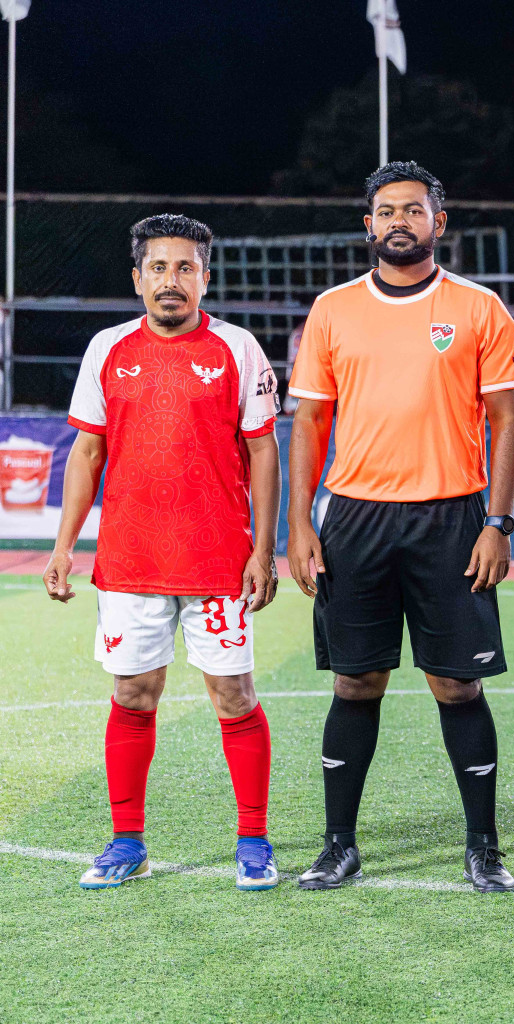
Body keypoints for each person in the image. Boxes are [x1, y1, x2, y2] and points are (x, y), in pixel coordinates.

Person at [285, 161, 514, 893]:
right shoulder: (333, 309)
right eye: (387, 211)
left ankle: (483, 847)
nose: (400, 221)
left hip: (453, 517)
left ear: (438, 223)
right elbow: (310, 423)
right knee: (357, 682)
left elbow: (507, 421)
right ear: (369, 225)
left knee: (457, 686)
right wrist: (298, 522)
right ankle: (338, 844)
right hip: (354, 516)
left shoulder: (481, 308)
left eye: (414, 211)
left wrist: (499, 522)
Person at [44, 214, 281, 891]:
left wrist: (264, 551)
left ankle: (254, 841)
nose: (170, 280)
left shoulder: (238, 348)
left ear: (205, 276)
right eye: (158, 268)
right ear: (137, 278)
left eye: (184, 268)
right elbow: (87, 451)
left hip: (217, 563)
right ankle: (127, 843)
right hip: (130, 560)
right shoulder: (107, 349)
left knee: (234, 697)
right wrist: (64, 546)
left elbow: (263, 452)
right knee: (134, 693)